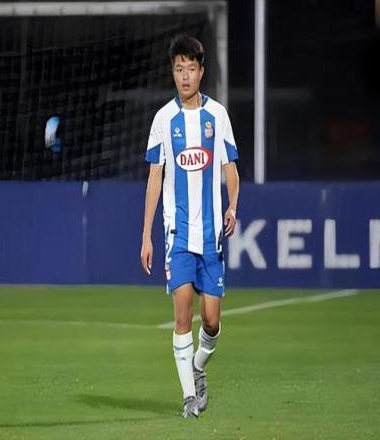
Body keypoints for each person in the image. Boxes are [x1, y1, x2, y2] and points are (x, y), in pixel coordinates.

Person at [140, 35, 239, 419]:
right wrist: (146, 234)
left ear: (201, 72)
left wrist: (233, 205)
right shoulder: (163, 120)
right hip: (177, 236)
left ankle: (198, 366)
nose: (184, 76)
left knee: (211, 323)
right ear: (173, 72)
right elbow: (154, 178)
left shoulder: (218, 116)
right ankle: (188, 399)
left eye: (191, 69)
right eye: (179, 69)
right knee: (182, 316)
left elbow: (231, 169)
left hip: (211, 237)